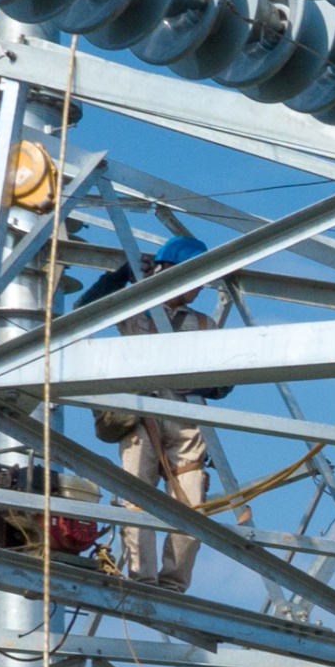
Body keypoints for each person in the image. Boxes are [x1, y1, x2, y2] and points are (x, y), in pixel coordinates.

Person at [82, 234, 218, 589]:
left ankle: (173, 582)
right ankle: (141, 577)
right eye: (196, 277)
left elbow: (226, 380)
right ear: (172, 271)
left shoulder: (203, 325)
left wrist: (202, 385)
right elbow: (86, 309)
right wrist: (122, 275)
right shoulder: (135, 308)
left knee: (191, 505)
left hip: (185, 422)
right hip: (141, 417)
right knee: (137, 497)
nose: (200, 286)